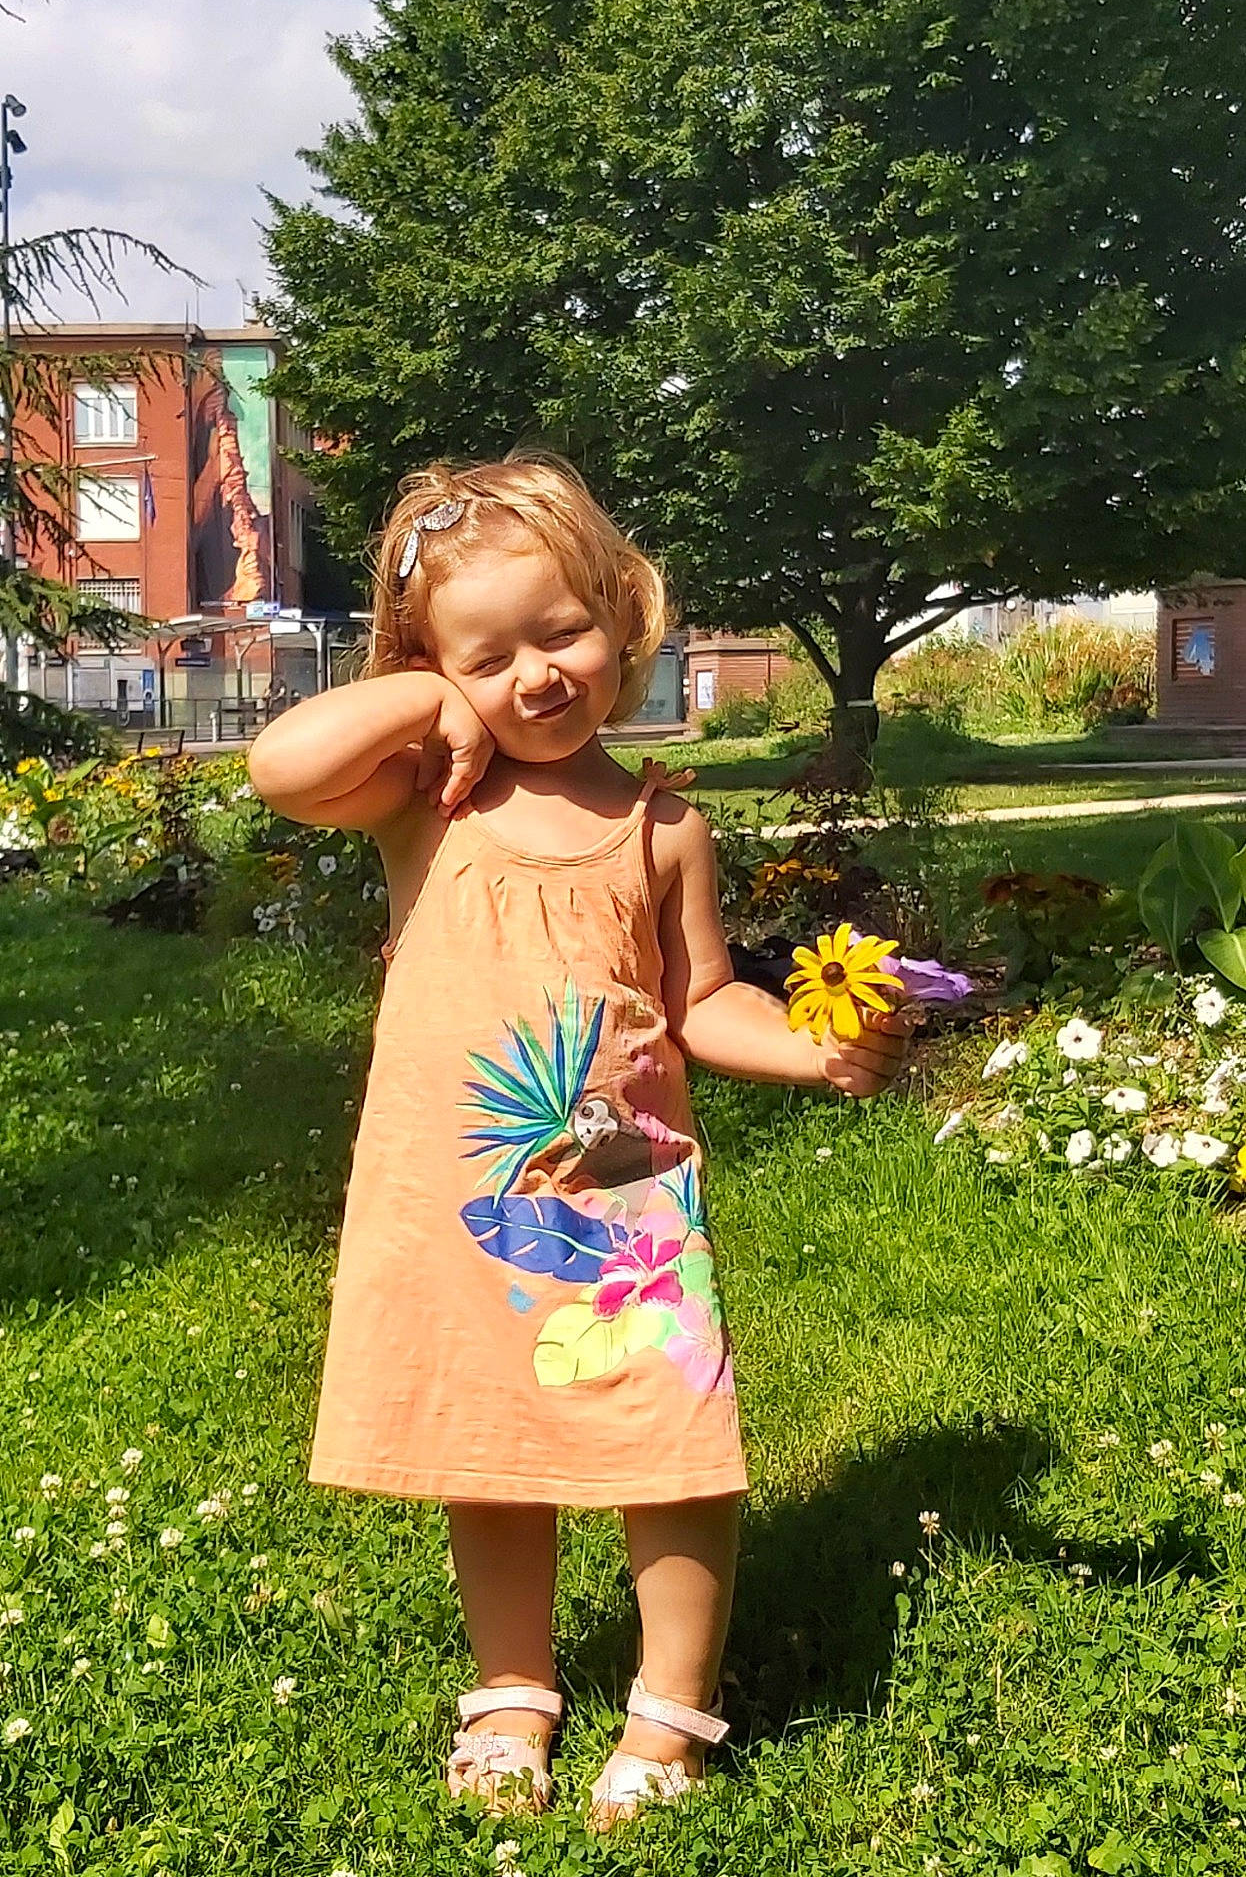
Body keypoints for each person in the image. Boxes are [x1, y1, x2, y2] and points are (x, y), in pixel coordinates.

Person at [246, 451, 908, 1830]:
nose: (534, 675)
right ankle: (510, 1687)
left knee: (670, 1444)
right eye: (486, 658)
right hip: (466, 1197)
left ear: (621, 610)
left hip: (622, 1203)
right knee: (489, 1449)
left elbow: (701, 998)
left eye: (560, 633)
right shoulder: (427, 798)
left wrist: (809, 1046)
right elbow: (278, 763)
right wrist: (433, 695)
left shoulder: (664, 825)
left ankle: (670, 1709)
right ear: (432, 671)